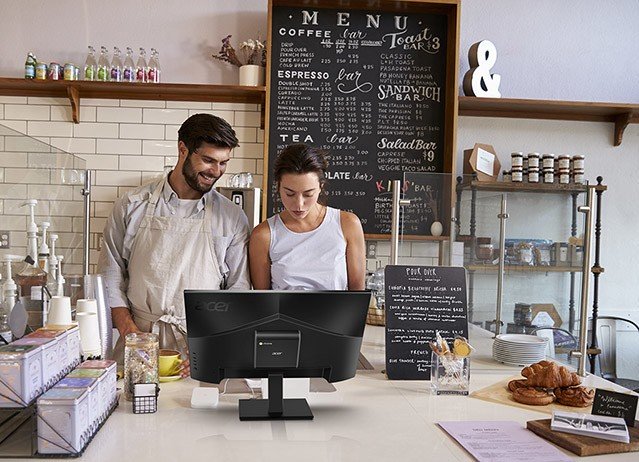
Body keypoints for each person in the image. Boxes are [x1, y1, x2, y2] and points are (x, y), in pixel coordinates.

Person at [98, 113, 250, 375]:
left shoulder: (232, 217)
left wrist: (214, 344)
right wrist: (131, 334)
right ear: (183, 149)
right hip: (139, 343)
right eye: (208, 160)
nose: (216, 172)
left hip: (200, 349)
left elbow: (238, 290)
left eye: (224, 163)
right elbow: (110, 276)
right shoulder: (131, 205)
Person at [249, 143, 366, 291]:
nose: (299, 204)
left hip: (336, 314)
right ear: (278, 187)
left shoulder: (348, 224)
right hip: (282, 314)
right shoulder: (263, 235)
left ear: (320, 187)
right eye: (290, 194)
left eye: (308, 194)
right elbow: (262, 302)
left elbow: (357, 297)